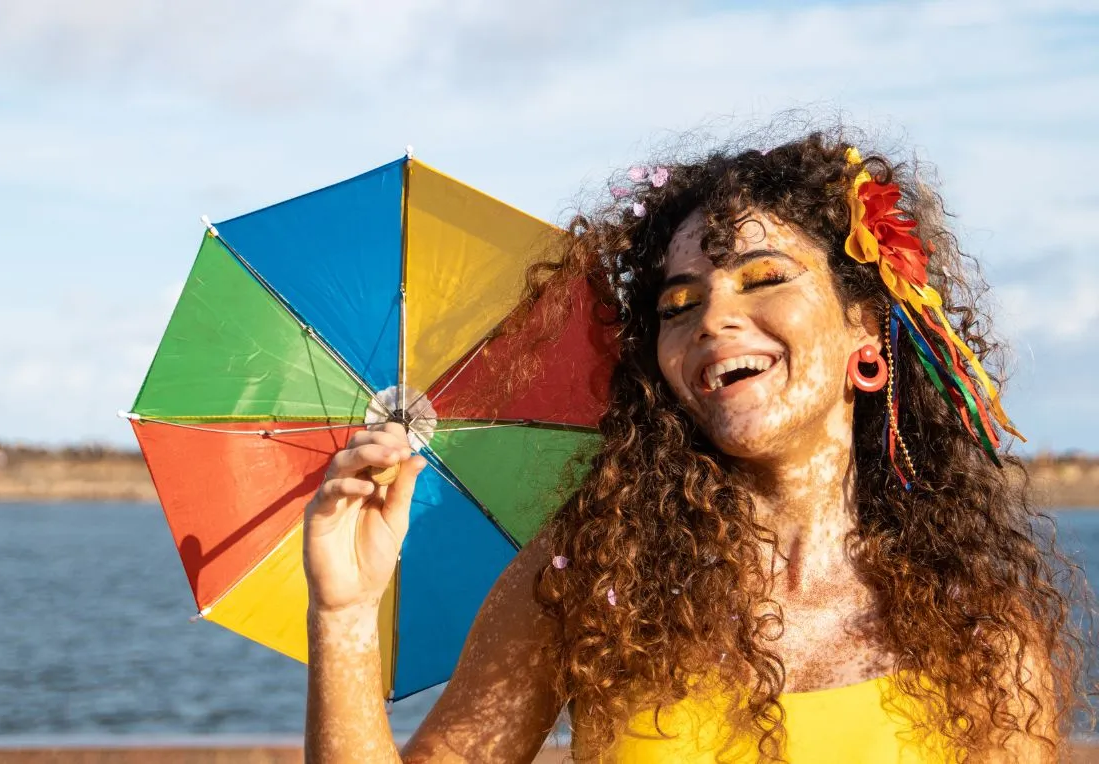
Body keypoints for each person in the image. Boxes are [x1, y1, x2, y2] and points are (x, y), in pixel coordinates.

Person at [301, 130, 1087, 762]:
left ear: (864, 327)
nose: (712, 319)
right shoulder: (589, 574)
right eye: (679, 304)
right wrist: (344, 612)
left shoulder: (981, 633)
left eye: (764, 277)